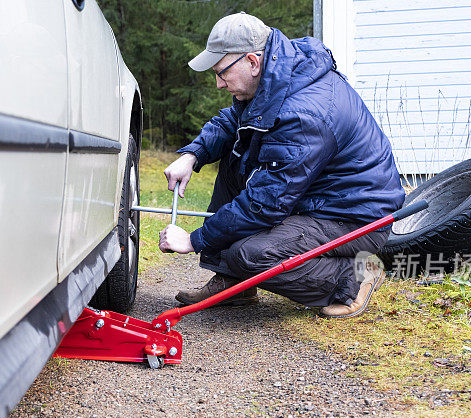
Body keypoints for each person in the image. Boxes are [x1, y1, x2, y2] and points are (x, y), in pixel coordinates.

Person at [158, 12, 405, 318]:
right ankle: (234, 283)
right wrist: (192, 154)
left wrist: (195, 239)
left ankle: (352, 277)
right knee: (235, 159)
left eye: (221, 73)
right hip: (317, 197)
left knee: (250, 254)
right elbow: (234, 121)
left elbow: (266, 204)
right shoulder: (276, 77)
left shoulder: (303, 115)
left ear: (252, 61)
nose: (219, 84)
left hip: (354, 218)